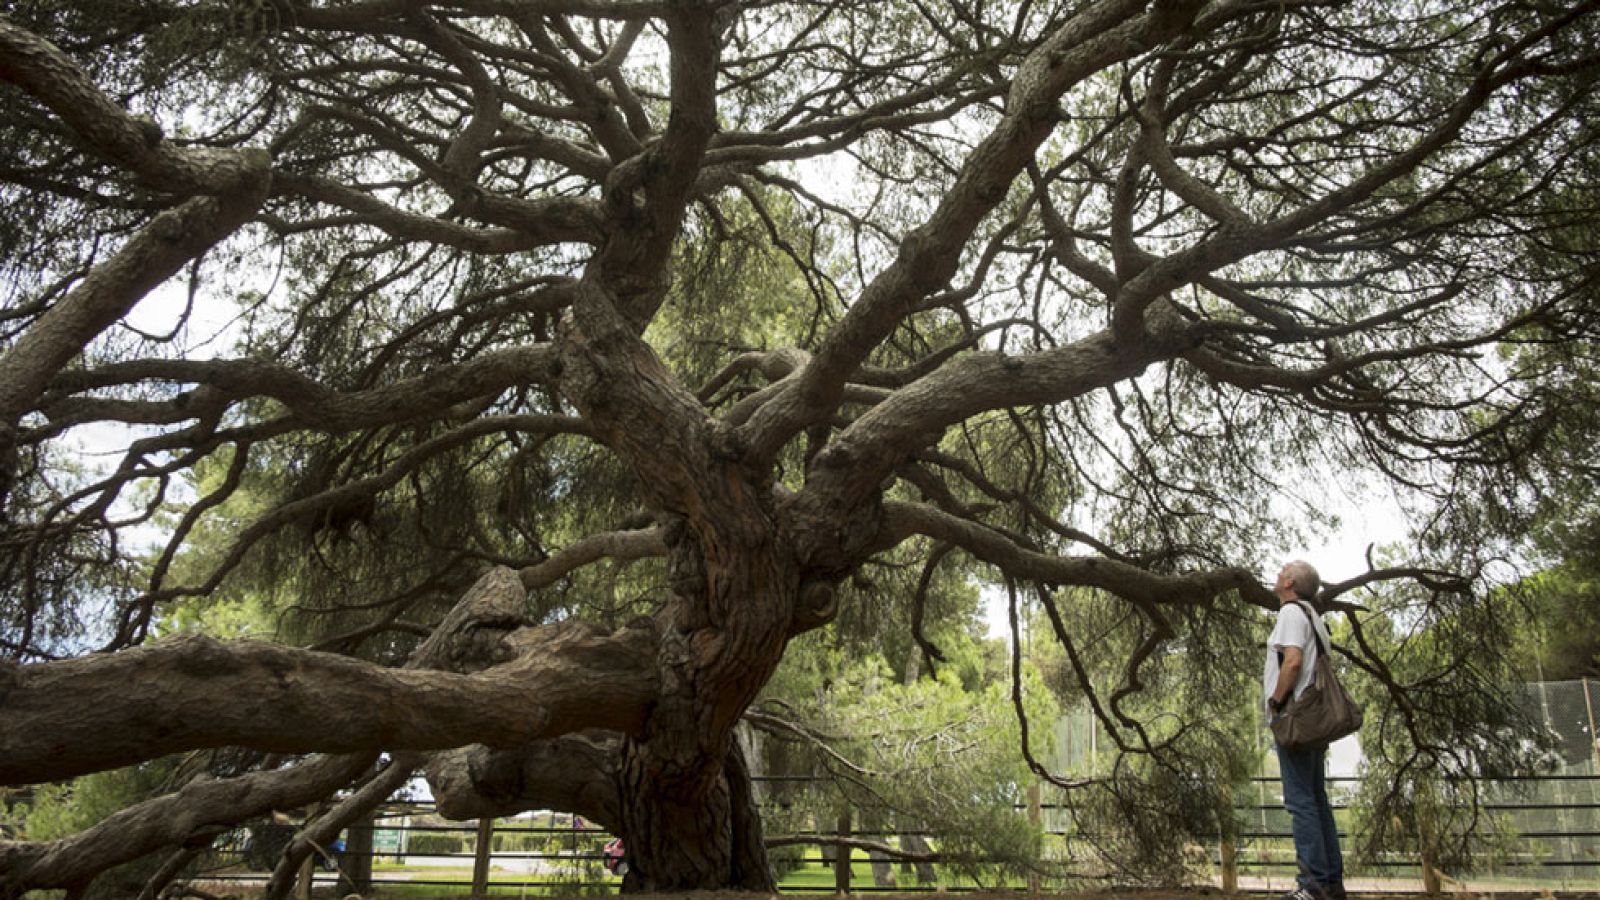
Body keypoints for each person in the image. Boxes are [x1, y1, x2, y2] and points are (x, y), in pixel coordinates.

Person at [1263, 560, 1346, 900]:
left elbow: (1293, 661)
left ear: (1291, 582)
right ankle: (1330, 882)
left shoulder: (1291, 614)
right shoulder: (1314, 617)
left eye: (1282, 572)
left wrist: (1277, 702)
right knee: (1315, 799)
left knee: (1301, 802)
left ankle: (1311, 886)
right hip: (1314, 721)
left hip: (1296, 718)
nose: (1277, 575)